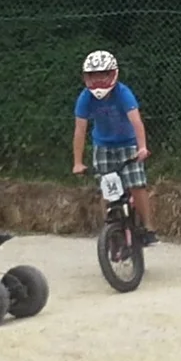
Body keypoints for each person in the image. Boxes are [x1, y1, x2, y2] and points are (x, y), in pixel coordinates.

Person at [72, 49, 159, 246]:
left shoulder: (123, 93)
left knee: (137, 185)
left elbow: (136, 122)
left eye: (103, 74)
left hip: (128, 145)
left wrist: (142, 147)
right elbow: (80, 130)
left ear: (113, 74)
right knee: (107, 190)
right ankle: (109, 227)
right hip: (103, 146)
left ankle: (148, 227)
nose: (98, 81)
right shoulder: (85, 98)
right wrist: (77, 162)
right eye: (93, 76)